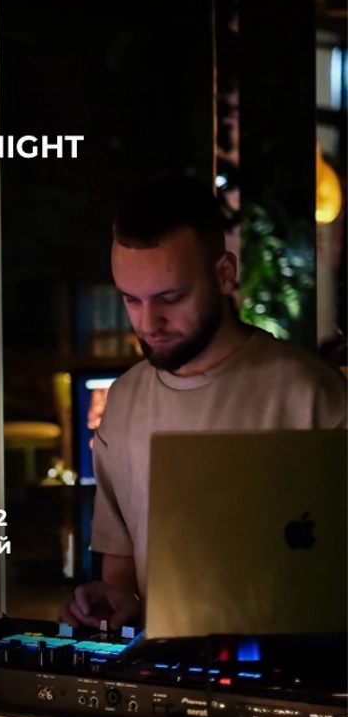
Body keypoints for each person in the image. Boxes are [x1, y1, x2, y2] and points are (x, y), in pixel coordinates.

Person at [60, 174, 348, 632]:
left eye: (171, 298)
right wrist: (115, 604)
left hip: (291, 665)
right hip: (165, 667)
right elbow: (121, 573)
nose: (148, 322)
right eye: (131, 300)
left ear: (224, 274)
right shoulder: (124, 400)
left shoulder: (311, 394)